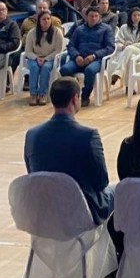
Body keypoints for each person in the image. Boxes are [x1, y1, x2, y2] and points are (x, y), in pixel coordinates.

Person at [24, 77, 114, 226]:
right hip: (81, 211)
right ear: (75, 98)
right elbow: (101, 182)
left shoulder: (32, 135)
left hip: (44, 209)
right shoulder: (88, 135)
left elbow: (32, 175)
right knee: (120, 192)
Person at [59, 7, 115, 107]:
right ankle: (74, 93)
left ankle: (85, 96)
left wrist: (94, 56)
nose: (93, 18)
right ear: (86, 17)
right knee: (64, 69)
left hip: (96, 60)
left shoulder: (107, 29)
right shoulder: (79, 29)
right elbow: (71, 46)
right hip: (79, 58)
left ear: (99, 17)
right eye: (91, 16)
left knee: (89, 71)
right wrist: (76, 56)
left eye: (96, 16)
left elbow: (110, 47)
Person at [24, 11, 64, 106]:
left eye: (48, 19)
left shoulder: (57, 32)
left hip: (50, 58)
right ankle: (33, 94)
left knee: (45, 68)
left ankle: (42, 94)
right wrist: (36, 58)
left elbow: (58, 50)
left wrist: (46, 59)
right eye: (44, 19)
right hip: (35, 57)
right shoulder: (32, 33)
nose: (46, 21)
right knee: (34, 67)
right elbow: (28, 51)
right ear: (39, 21)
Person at [110, 7, 140, 86]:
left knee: (129, 48)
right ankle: (129, 87)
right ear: (130, 16)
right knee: (130, 58)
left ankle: (118, 72)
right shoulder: (123, 27)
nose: (136, 17)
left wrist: (131, 45)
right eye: (134, 15)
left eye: (138, 15)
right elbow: (117, 43)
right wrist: (123, 46)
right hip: (125, 53)